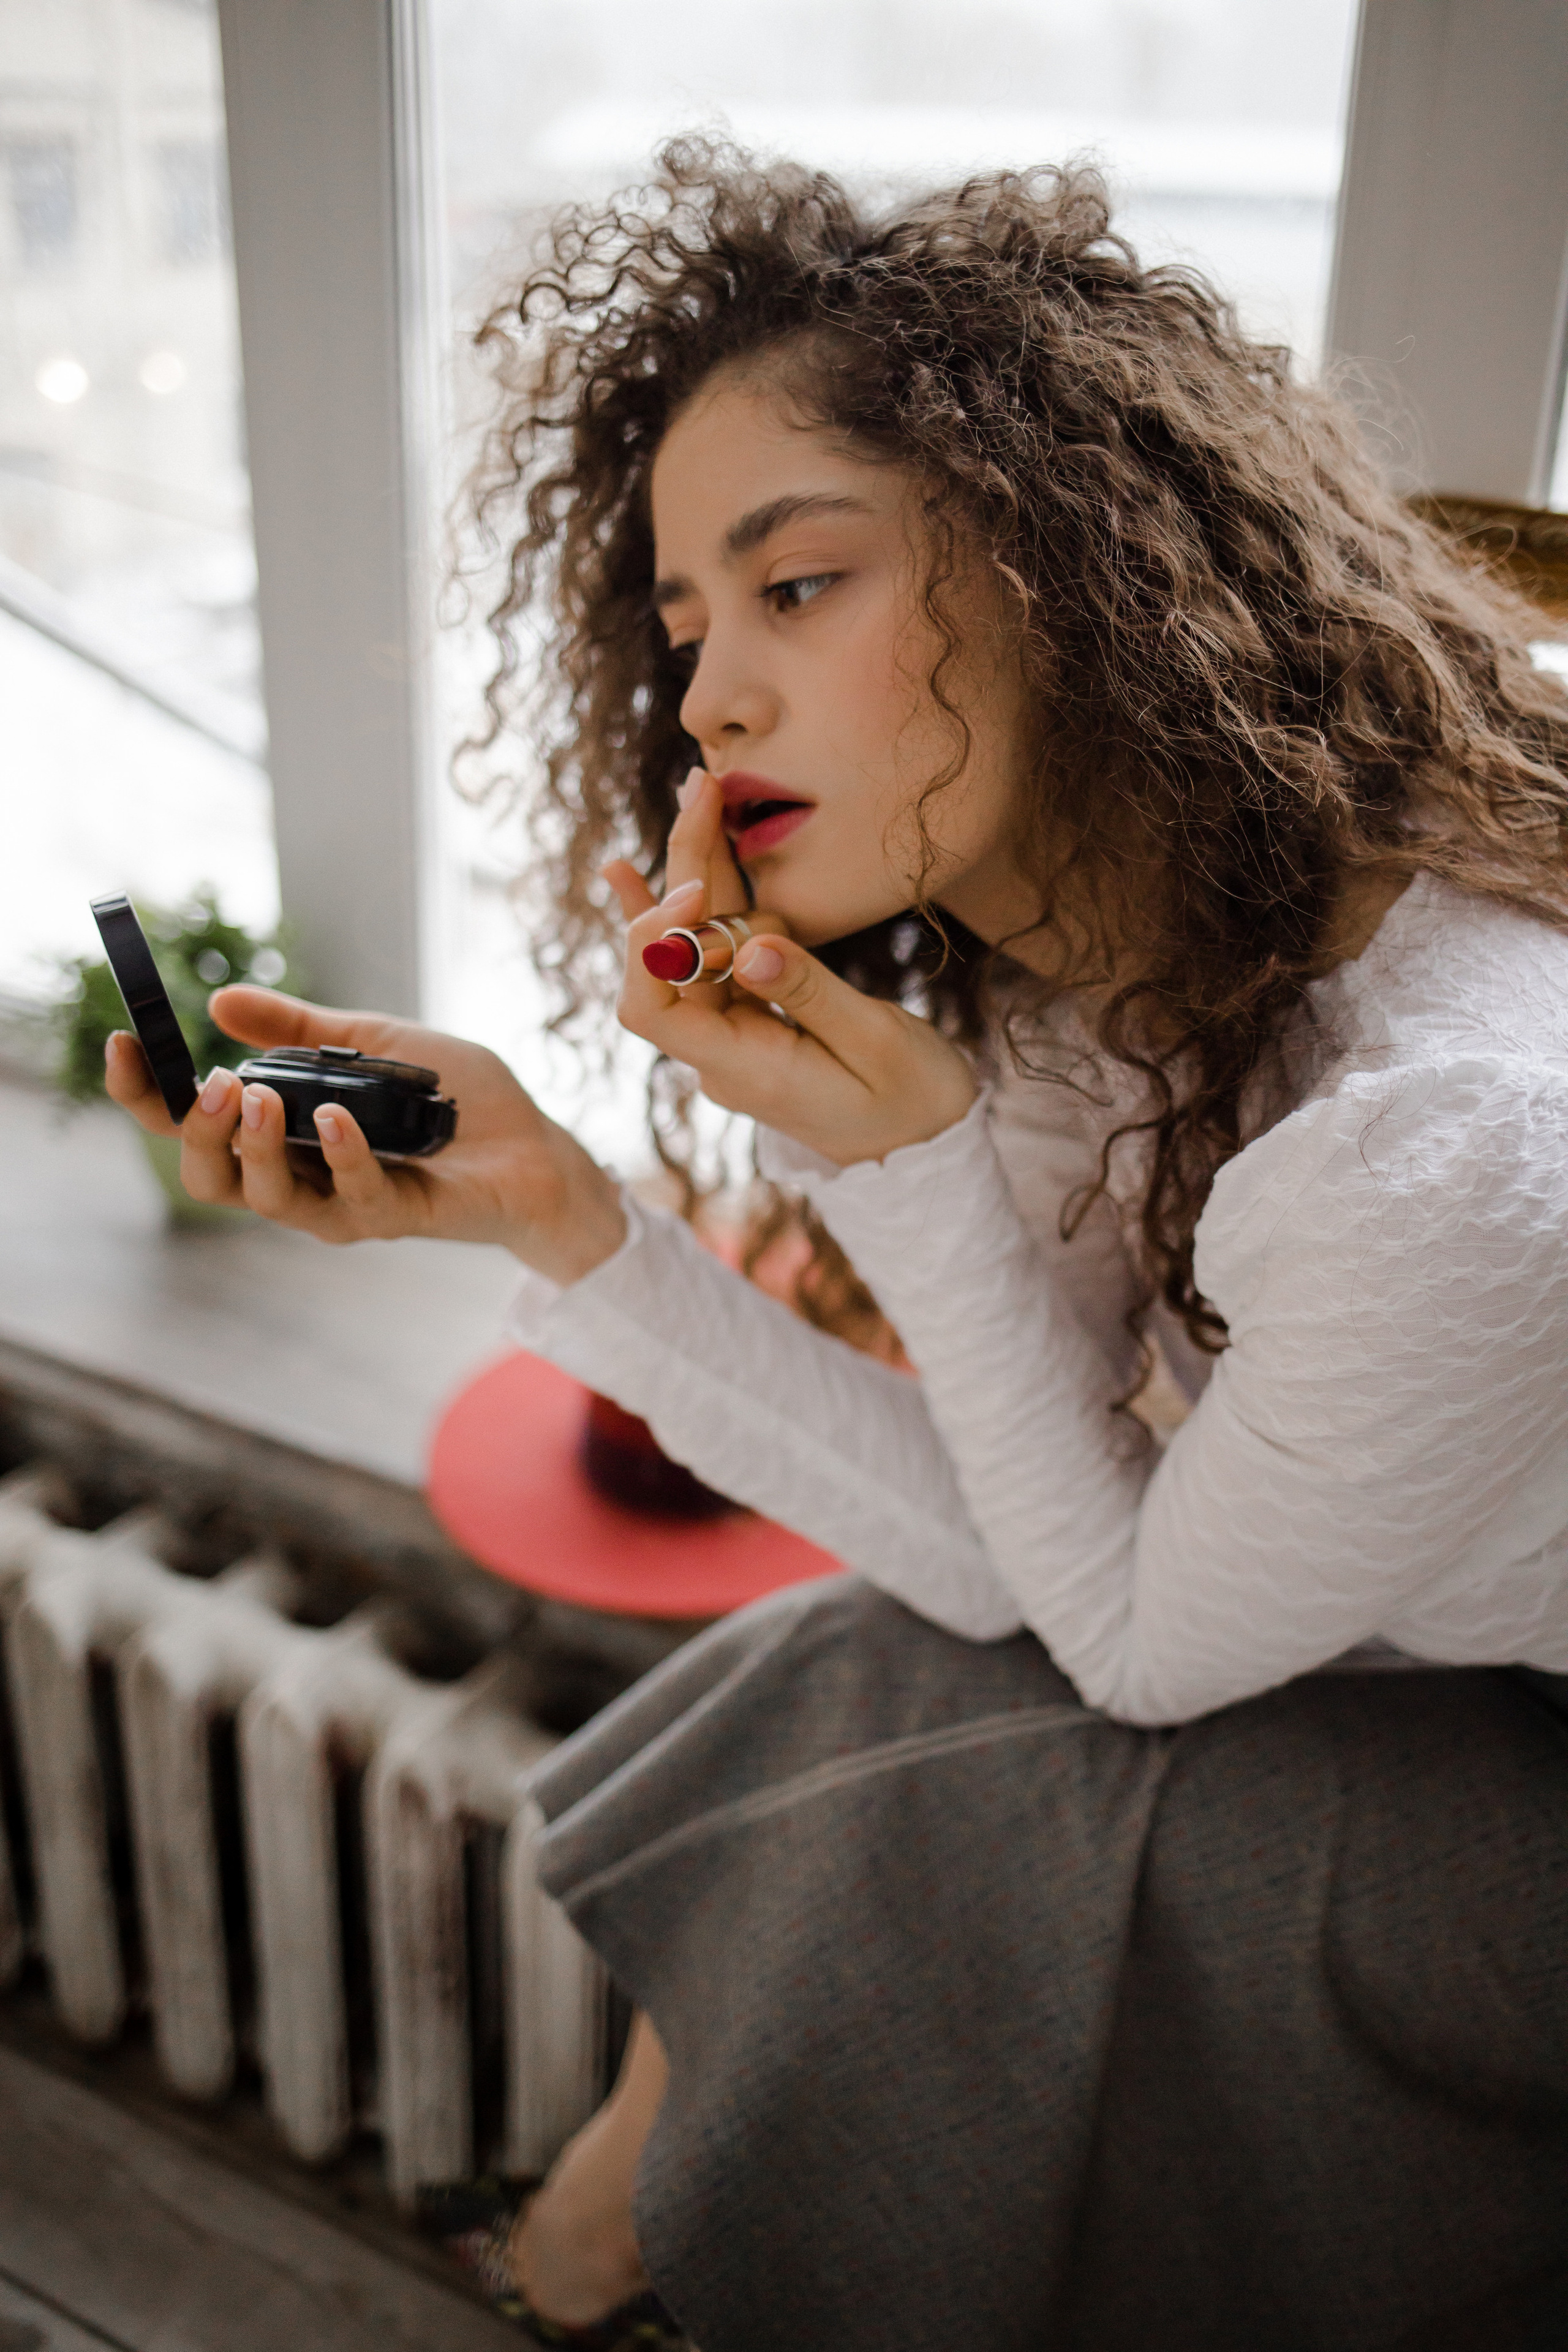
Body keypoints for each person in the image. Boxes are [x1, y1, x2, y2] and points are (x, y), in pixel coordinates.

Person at [108, 146, 1568, 2352]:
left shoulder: (1438, 1146)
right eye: (684, 626)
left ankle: (595, 2258)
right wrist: (564, 1215)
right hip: (1409, 1683)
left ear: (1078, 556)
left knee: (904, 1728)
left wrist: (905, 1163)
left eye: (796, 588)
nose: (699, 699)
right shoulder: (1108, 962)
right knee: (878, 1664)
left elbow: (1128, 1655)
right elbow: (1023, 1548)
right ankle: (609, 2251)